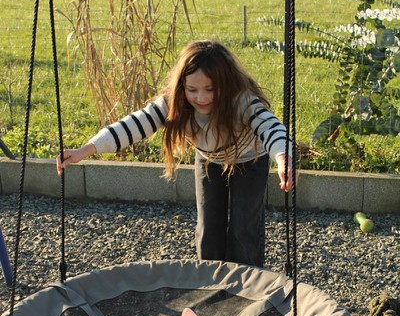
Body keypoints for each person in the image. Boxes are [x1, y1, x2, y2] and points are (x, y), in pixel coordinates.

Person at [56, 40, 294, 267]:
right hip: (209, 160)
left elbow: (271, 128)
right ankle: (209, 279)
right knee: (208, 226)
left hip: (249, 160)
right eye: (192, 89)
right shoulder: (175, 103)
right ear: (182, 86)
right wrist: (85, 150)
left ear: (226, 84)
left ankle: (247, 283)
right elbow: (133, 125)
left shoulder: (241, 102)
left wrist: (283, 158)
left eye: (210, 89)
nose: (201, 98)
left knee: (244, 228)